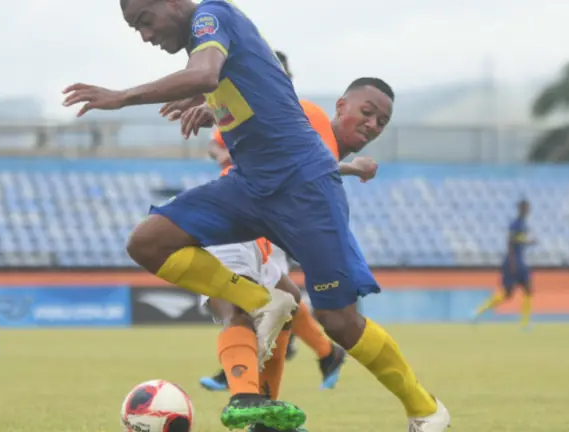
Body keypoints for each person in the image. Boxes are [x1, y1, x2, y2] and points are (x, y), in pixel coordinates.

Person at [61, 1, 451, 430]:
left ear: (171, 2)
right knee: (147, 242)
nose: (145, 36)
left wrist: (121, 97)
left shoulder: (210, 17)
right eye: (137, 28)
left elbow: (208, 72)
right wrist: (215, 102)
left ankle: (425, 409)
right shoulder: (211, 45)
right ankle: (261, 302)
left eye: (145, 22)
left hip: (304, 190)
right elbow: (249, 83)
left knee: (338, 321)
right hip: (250, 186)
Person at [200, 51, 347, 394]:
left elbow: (323, 167)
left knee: (262, 298)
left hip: (278, 214)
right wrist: (224, 154)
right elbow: (215, 144)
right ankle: (321, 354)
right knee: (276, 297)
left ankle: (245, 372)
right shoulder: (235, 105)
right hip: (243, 206)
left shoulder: (305, 114)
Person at [472, 199, 535, 329]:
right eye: (526, 208)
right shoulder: (515, 224)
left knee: (528, 289)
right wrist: (512, 262)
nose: (528, 210)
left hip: (519, 260)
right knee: (508, 293)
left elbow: (518, 241)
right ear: (521, 209)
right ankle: (477, 311)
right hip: (513, 261)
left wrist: (528, 242)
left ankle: (524, 323)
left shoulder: (523, 225)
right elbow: (510, 242)